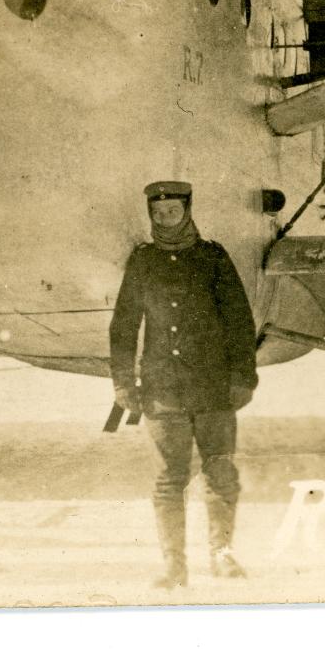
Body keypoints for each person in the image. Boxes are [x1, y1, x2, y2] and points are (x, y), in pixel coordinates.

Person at [109, 181, 259, 588]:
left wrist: (243, 377)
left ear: (187, 211)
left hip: (213, 387)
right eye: (158, 214)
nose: (166, 219)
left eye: (173, 212)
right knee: (169, 479)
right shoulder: (142, 262)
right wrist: (123, 382)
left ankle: (222, 556)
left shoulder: (213, 257)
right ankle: (174, 567)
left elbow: (239, 321)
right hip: (162, 391)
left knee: (220, 472)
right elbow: (123, 326)